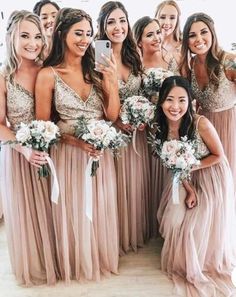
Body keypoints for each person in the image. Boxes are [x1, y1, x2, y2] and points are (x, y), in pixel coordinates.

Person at [35, 8, 120, 282]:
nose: (85, 39)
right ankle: (73, 262)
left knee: (98, 207)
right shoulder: (48, 75)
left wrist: (112, 82)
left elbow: (112, 115)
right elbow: (43, 126)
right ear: (62, 34)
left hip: (98, 154)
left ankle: (96, 257)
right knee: (72, 209)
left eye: (88, 34)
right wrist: (75, 142)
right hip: (68, 155)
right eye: (78, 33)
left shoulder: (96, 69)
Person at [154, 75, 236, 297]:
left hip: (211, 175)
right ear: (161, 101)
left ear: (190, 101)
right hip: (185, 178)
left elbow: (219, 156)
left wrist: (191, 165)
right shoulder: (161, 129)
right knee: (176, 218)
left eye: (182, 100)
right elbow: (173, 165)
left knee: (195, 227)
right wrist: (189, 190)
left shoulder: (201, 123)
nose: (176, 106)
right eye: (170, 100)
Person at [0, 10, 58, 286]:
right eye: (25, 36)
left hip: (52, 151)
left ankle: (58, 261)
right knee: (28, 214)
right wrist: (24, 149)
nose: (32, 43)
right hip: (19, 155)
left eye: (36, 36)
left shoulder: (48, 68)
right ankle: (37, 267)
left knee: (53, 209)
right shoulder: (4, 77)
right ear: (11, 36)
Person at [96, 1, 151, 253]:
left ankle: (134, 234)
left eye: (122, 21)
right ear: (102, 26)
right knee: (114, 186)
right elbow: (99, 99)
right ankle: (115, 237)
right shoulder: (97, 56)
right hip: (113, 130)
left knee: (134, 184)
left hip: (136, 134)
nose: (118, 27)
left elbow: (141, 90)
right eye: (111, 22)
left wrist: (141, 116)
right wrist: (118, 121)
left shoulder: (134, 53)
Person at [133, 16, 179, 237]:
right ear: (139, 41)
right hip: (144, 129)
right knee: (145, 175)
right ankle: (148, 226)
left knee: (165, 172)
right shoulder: (134, 64)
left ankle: (165, 227)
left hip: (168, 125)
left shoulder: (171, 60)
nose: (157, 37)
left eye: (158, 32)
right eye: (149, 34)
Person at [180, 12, 236, 186]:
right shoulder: (190, 65)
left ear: (212, 33)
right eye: (192, 35)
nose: (199, 39)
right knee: (206, 184)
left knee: (226, 180)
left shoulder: (229, 61)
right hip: (203, 128)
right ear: (186, 42)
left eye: (204, 32)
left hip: (228, 124)